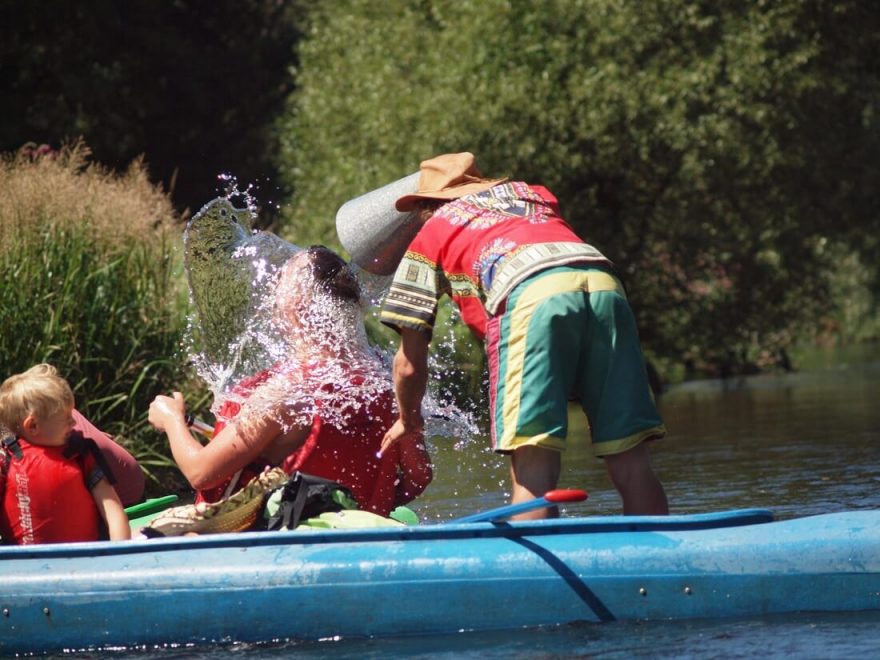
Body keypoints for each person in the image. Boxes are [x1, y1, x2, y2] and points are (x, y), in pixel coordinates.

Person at [378, 152, 668, 519]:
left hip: (530, 293)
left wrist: (408, 419)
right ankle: (658, 559)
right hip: (605, 283)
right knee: (632, 462)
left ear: (426, 207)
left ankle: (537, 574)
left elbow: (408, 364)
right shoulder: (529, 199)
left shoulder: (431, 232)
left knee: (534, 467)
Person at [148, 246, 432, 518]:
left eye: (281, 282)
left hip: (289, 546)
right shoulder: (384, 376)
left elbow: (201, 473)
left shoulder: (289, 392)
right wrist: (363, 503)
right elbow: (418, 477)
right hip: (364, 532)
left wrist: (172, 419)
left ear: (294, 305)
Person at [0, 364, 131, 544]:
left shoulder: (80, 453)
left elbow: (112, 509)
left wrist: (121, 553)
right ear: (33, 426)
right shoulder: (5, 459)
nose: (74, 422)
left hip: (86, 559)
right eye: (66, 418)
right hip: (25, 566)